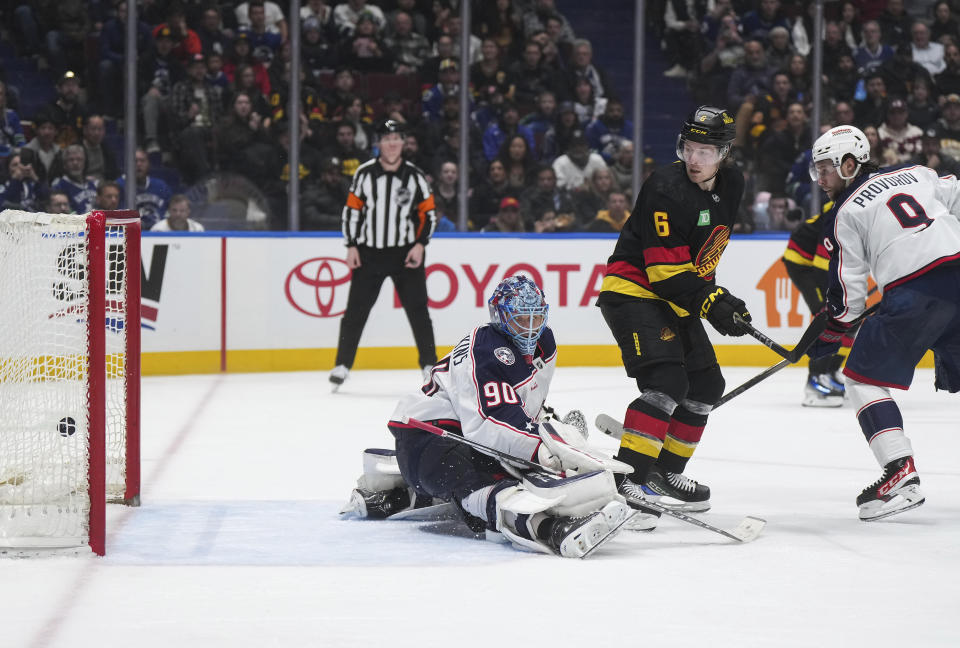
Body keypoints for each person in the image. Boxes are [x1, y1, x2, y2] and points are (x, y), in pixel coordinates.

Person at [342, 276, 636, 557]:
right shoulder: (487, 350)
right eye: (521, 318)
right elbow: (486, 426)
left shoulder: (544, 342)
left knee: (520, 467)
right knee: (489, 483)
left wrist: (544, 433)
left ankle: (403, 496)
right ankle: (548, 527)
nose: (530, 328)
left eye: (536, 317)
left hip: (460, 435)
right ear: (500, 316)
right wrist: (543, 449)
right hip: (428, 438)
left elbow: (519, 408)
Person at [596, 106, 751, 514]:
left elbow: (704, 253)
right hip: (634, 291)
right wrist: (710, 301)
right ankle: (627, 481)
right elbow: (664, 273)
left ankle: (663, 472)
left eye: (706, 151)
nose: (695, 160)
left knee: (705, 387)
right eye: (689, 148)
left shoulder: (733, 183)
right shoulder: (666, 186)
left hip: (675, 300)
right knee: (666, 382)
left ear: (725, 153)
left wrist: (714, 300)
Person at [806, 124, 960, 521]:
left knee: (860, 377)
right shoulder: (918, 172)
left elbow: (848, 299)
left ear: (850, 163)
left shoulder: (844, 213)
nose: (820, 179)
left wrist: (831, 331)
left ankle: (899, 473)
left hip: (915, 293)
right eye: (816, 170)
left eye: (825, 168)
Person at [330, 120, 438, 390]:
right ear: (379, 142)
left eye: (397, 138)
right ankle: (342, 365)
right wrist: (351, 245)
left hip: (405, 254)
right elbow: (352, 211)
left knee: (418, 311)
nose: (392, 143)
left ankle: (429, 366)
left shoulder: (414, 176)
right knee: (355, 311)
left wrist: (420, 244)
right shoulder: (364, 174)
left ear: (403, 143)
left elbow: (429, 213)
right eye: (387, 138)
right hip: (369, 254)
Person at [781, 201, 849, 407]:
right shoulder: (839, 208)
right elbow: (822, 259)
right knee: (828, 318)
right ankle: (814, 382)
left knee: (853, 320)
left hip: (820, 264)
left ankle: (830, 371)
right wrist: (833, 301)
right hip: (802, 264)